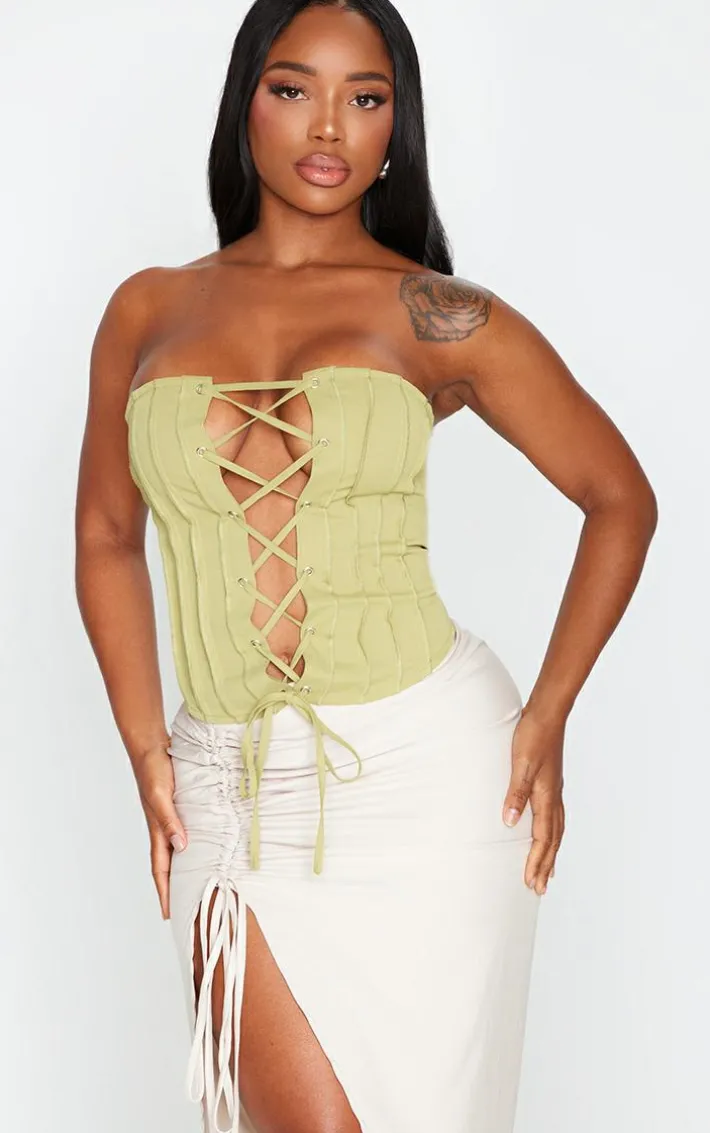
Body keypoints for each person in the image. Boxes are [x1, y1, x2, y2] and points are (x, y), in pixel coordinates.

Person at [74, 1, 658, 1131]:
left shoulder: (437, 314)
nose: (328, 125)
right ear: (245, 103)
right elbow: (106, 532)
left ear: (398, 125)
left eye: (367, 96)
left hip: (429, 772)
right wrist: (146, 746)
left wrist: (546, 715)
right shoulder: (148, 307)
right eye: (293, 88)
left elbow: (618, 497)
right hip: (228, 785)